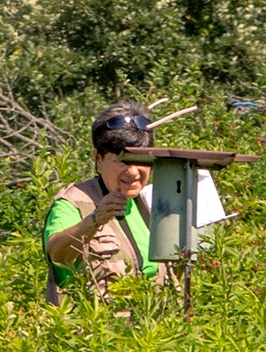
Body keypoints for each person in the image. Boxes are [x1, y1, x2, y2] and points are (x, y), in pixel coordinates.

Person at [43, 101, 174, 306]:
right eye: (121, 161)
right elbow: (58, 255)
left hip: (152, 332)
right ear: (98, 158)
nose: (132, 171)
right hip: (96, 332)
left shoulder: (155, 203)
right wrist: (95, 220)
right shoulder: (73, 203)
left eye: (141, 160)